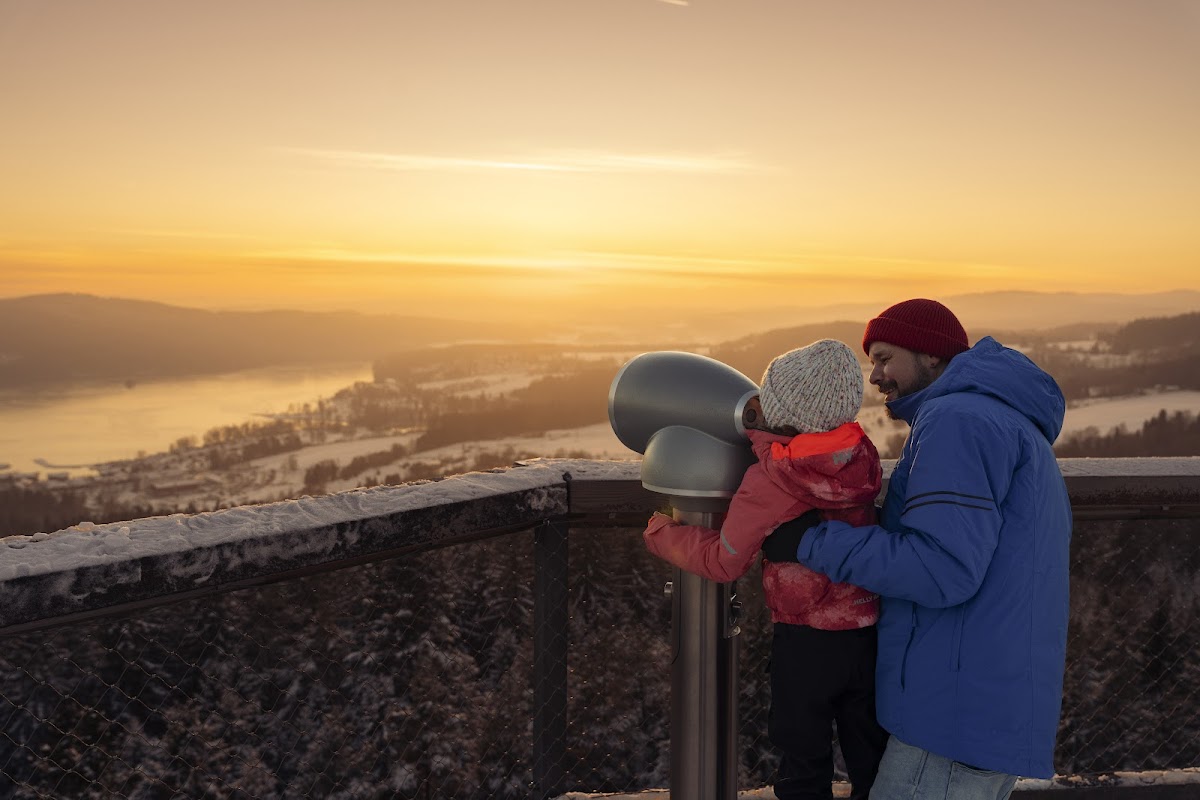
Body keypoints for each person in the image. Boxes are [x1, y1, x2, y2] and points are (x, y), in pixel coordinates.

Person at [762, 299, 1072, 800]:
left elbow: (941, 569)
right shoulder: (992, 415)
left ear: (931, 354)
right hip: (979, 699)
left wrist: (810, 541)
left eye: (885, 358)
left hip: (954, 712)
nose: (876, 376)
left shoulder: (957, 420)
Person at [643, 338, 888, 800]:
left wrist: (662, 534)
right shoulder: (859, 459)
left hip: (805, 641)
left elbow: (723, 562)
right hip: (867, 630)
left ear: (779, 407)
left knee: (802, 762)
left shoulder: (771, 479)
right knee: (872, 761)